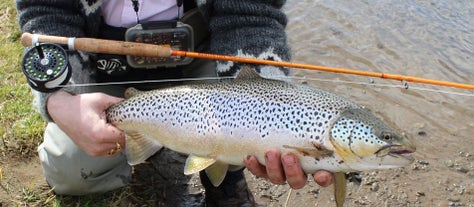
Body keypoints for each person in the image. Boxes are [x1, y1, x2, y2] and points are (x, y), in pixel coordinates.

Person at [16, 0, 333, 205]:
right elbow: (46, 11)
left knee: (258, 124)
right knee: (70, 172)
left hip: (206, 51)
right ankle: (155, 149)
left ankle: (225, 174)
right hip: (103, 64)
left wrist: (273, 100)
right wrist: (59, 97)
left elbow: (250, 16)